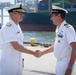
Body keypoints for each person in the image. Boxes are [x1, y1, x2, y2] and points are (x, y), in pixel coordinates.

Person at [0, 3, 40, 75]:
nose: (22, 14)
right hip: (9, 60)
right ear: (12, 14)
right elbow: (16, 47)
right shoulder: (8, 27)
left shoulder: (17, 26)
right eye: (20, 13)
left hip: (18, 58)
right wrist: (33, 53)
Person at [36, 5, 76, 75]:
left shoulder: (68, 28)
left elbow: (75, 47)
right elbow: (56, 46)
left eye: (52, 16)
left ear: (58, 16)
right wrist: (42, 52)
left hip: (66, 63)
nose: (51, 18)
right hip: (59, 63)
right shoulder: (58, 28)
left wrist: (70, 67)